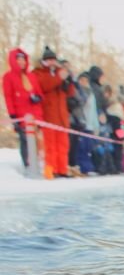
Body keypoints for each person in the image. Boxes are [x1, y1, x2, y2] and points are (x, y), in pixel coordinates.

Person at [33, 46, 75, 179]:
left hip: (62, 116)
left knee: (63, 146)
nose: (51, 62)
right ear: (43, 61)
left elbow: (70, 92)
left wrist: (68, 79)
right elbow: (44, 85)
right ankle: (50, 170)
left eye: (53, 60)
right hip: (48, 116)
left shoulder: (60, 72)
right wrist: (58, 77)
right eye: (48, 60)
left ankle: (62, 169)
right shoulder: (38, 73)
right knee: (50, 146)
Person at [3, 48, 44, 170]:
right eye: (18, 60)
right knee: (25, 141)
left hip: (35, 114)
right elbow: (8, 97)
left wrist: (37, 98)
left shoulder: (31, 76)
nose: (21, 62)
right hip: (21, 115)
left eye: (23, 60)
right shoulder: (8, 77)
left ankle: (37, 164)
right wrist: (13, 116)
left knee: (38, 141)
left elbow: (39, 93)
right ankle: (27, 165)